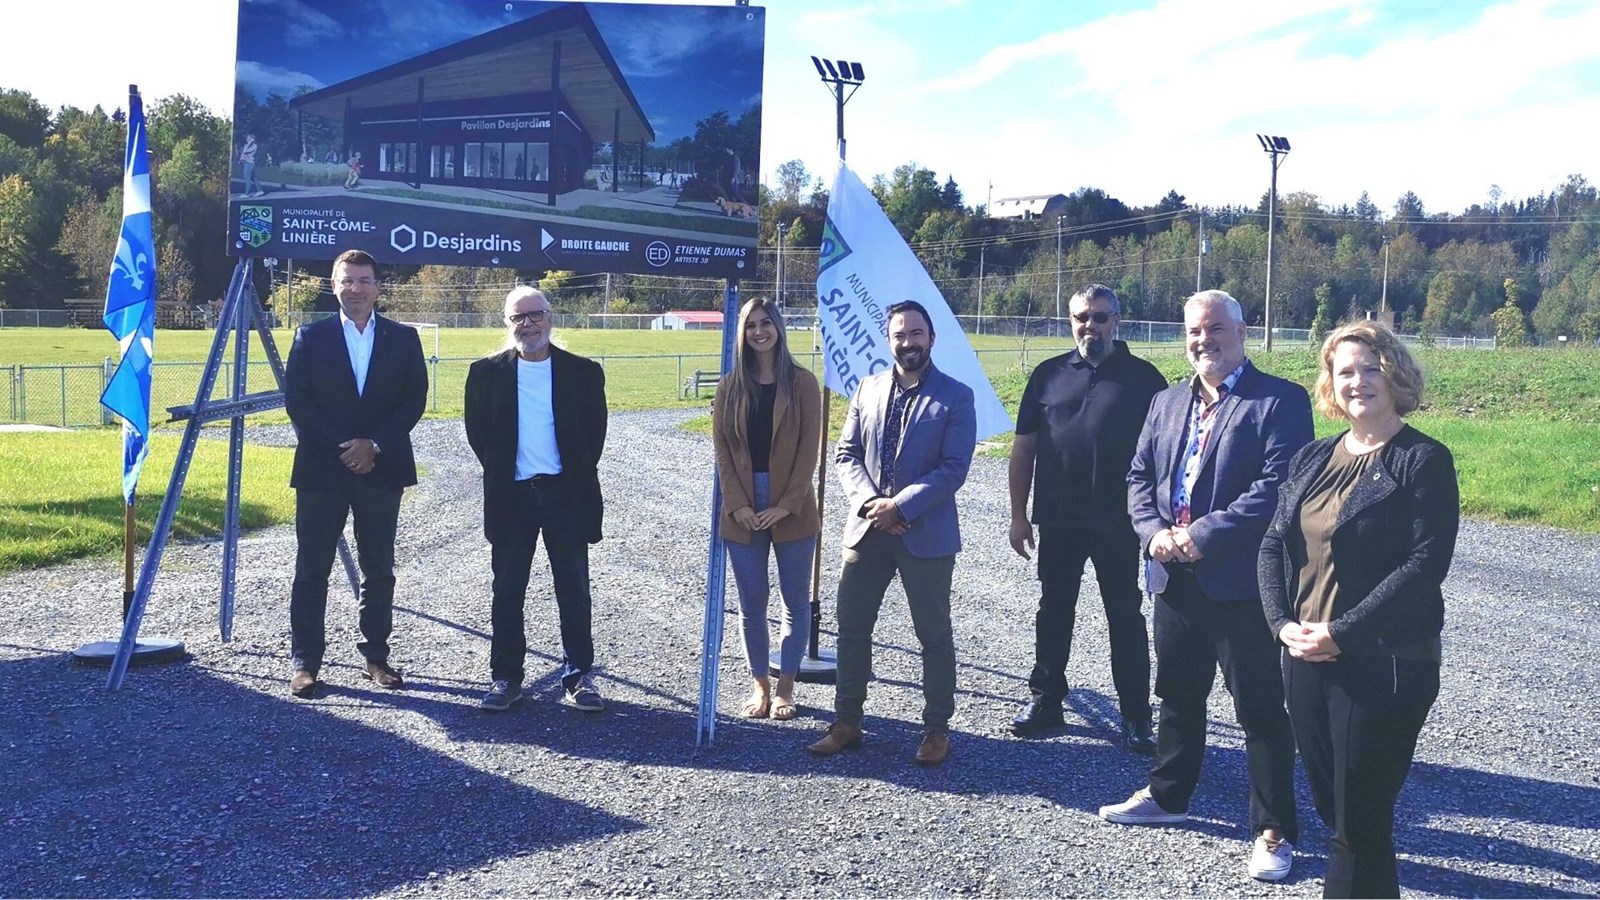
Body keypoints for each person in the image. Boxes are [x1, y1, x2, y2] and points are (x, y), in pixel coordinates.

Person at [1099, 290, 1312, 882]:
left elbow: (1278, 485)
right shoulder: (1166, 401)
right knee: (1179, 696)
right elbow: (1139, 475)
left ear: (1242, 332)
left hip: (1243, 583)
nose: (1203, 340)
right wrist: (1152, 533)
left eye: (1215, 328)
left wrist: (1205, 533)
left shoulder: (1280, 401)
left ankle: (1273, 830)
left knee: (1261, 709)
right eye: (1194, 331)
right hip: (1174, 577)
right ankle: (1168, 796)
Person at [1260, 320, 1458, 898]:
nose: (1358, 382)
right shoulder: (1313, 457)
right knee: (1337, 809)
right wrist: (1283, 625)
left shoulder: (1423, 460)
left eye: (1371, 368)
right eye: (1344, 371)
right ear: (1329, 383)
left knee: (1360, 820)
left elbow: (1424, 567)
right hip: (1305, 656)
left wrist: (1341, 632)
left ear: (1395, 374)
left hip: (1384, 661)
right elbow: (1275, 543)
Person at [807, 300, 976, 766]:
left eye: (916, 333)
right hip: (867, 532)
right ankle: (846, 723)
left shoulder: (956, 397)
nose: (908, 342)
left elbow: (953, 469)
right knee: (852, 630)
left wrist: (898, 506)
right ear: (889, 340)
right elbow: (846, 455)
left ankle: (937, 730)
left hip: (926, 534)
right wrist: (870, 505)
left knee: (934, 635)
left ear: (932, 337)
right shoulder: (868, 388)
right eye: (900, 335)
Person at [1006, 284, 1167, 751]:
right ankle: (1046, 700)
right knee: (1053, 611)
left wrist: (1157, 520)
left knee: (1126, 616)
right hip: (1058, 519)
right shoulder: (1048, 375)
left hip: (1122, 522)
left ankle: (1136, 714)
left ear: (1117, 320)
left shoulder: (1144, 379)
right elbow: (1023, 451)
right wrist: (1019, 515)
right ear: (1070, 319)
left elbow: (1163, 453)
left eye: (1099, 317)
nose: (1089, 326)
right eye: (1081, 317)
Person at [284, 249, 428, 698]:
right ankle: (306, 663)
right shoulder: (310, 337)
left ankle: (376, 658)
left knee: (378, 568)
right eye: (347, 280)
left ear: (378, 287)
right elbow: (299, 403)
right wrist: (347, 447)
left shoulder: (404, 339)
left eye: (365, 280)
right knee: (312, 569)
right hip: (322, 469)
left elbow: (414, 400)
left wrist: (374, 445)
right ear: (334, 285)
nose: (356, 288)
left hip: (382, 469)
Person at [465, 286, 608, 713]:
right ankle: (506, 678)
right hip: (511, 497)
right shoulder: (485, 373)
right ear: (507, 323)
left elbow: (593, 437)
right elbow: (480, 438)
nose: (527, 325)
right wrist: (507, 474)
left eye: (535, 315)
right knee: (507, 591)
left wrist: (569, 478)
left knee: (574, 590)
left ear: (551, 317)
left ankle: (579, 676)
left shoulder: (583, 372)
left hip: (565, 495)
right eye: (518, 318)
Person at [713, 298, 823, 720]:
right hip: (742, 504)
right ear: (742, 334)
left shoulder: (802, 383)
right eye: (751, 325)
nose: (759, 331)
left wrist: (786, 504)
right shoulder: (730, 386)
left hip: (791, 506)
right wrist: (738, 504)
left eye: (766, 323)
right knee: (751, 603)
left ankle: (785, 689)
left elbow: (808, 451)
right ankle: (760, 686)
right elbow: (722, 450)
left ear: (778, 327)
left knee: (795, 602)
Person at [239, 132, 260, 197]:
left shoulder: (255, 146)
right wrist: (241, 159)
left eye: (249, 138)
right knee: (253, 178)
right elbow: (243, 153)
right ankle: (260, 191)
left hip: (250, 163)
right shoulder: (246, 145)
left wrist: (249, 143)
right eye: (247, 138)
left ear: (253, 139)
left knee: (247, 179)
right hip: (246, 163)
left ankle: (246, 194)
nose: (247, 139)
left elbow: (245, 151)